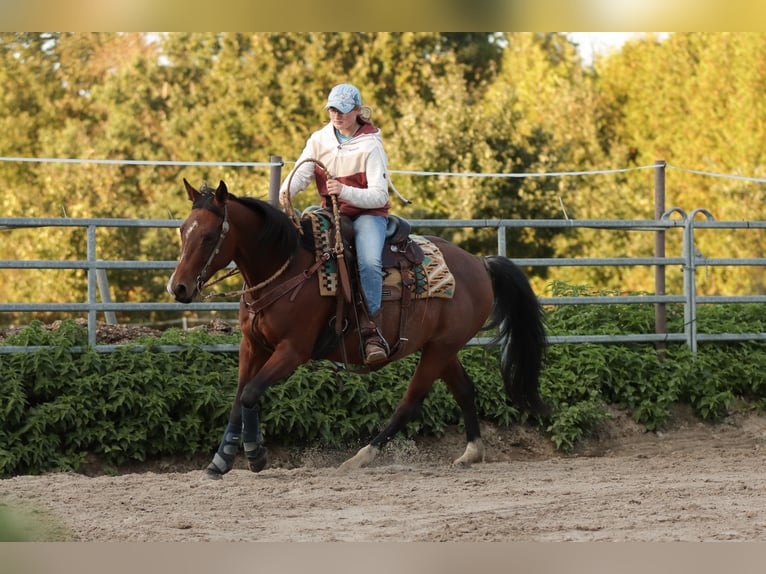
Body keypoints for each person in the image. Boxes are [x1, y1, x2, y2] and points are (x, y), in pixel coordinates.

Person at [279, 83, 390, 365]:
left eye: (342, 111)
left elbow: (380, 194)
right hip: (331, 212)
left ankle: (371, 328)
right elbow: (302, 173)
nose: (337, 116)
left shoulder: (372, 144)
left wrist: (344, 191)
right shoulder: (319, 139)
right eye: (332, 110)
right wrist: (285, 193)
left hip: (368, 214)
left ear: (357, 111)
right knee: (303, 247)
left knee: (368, 262)